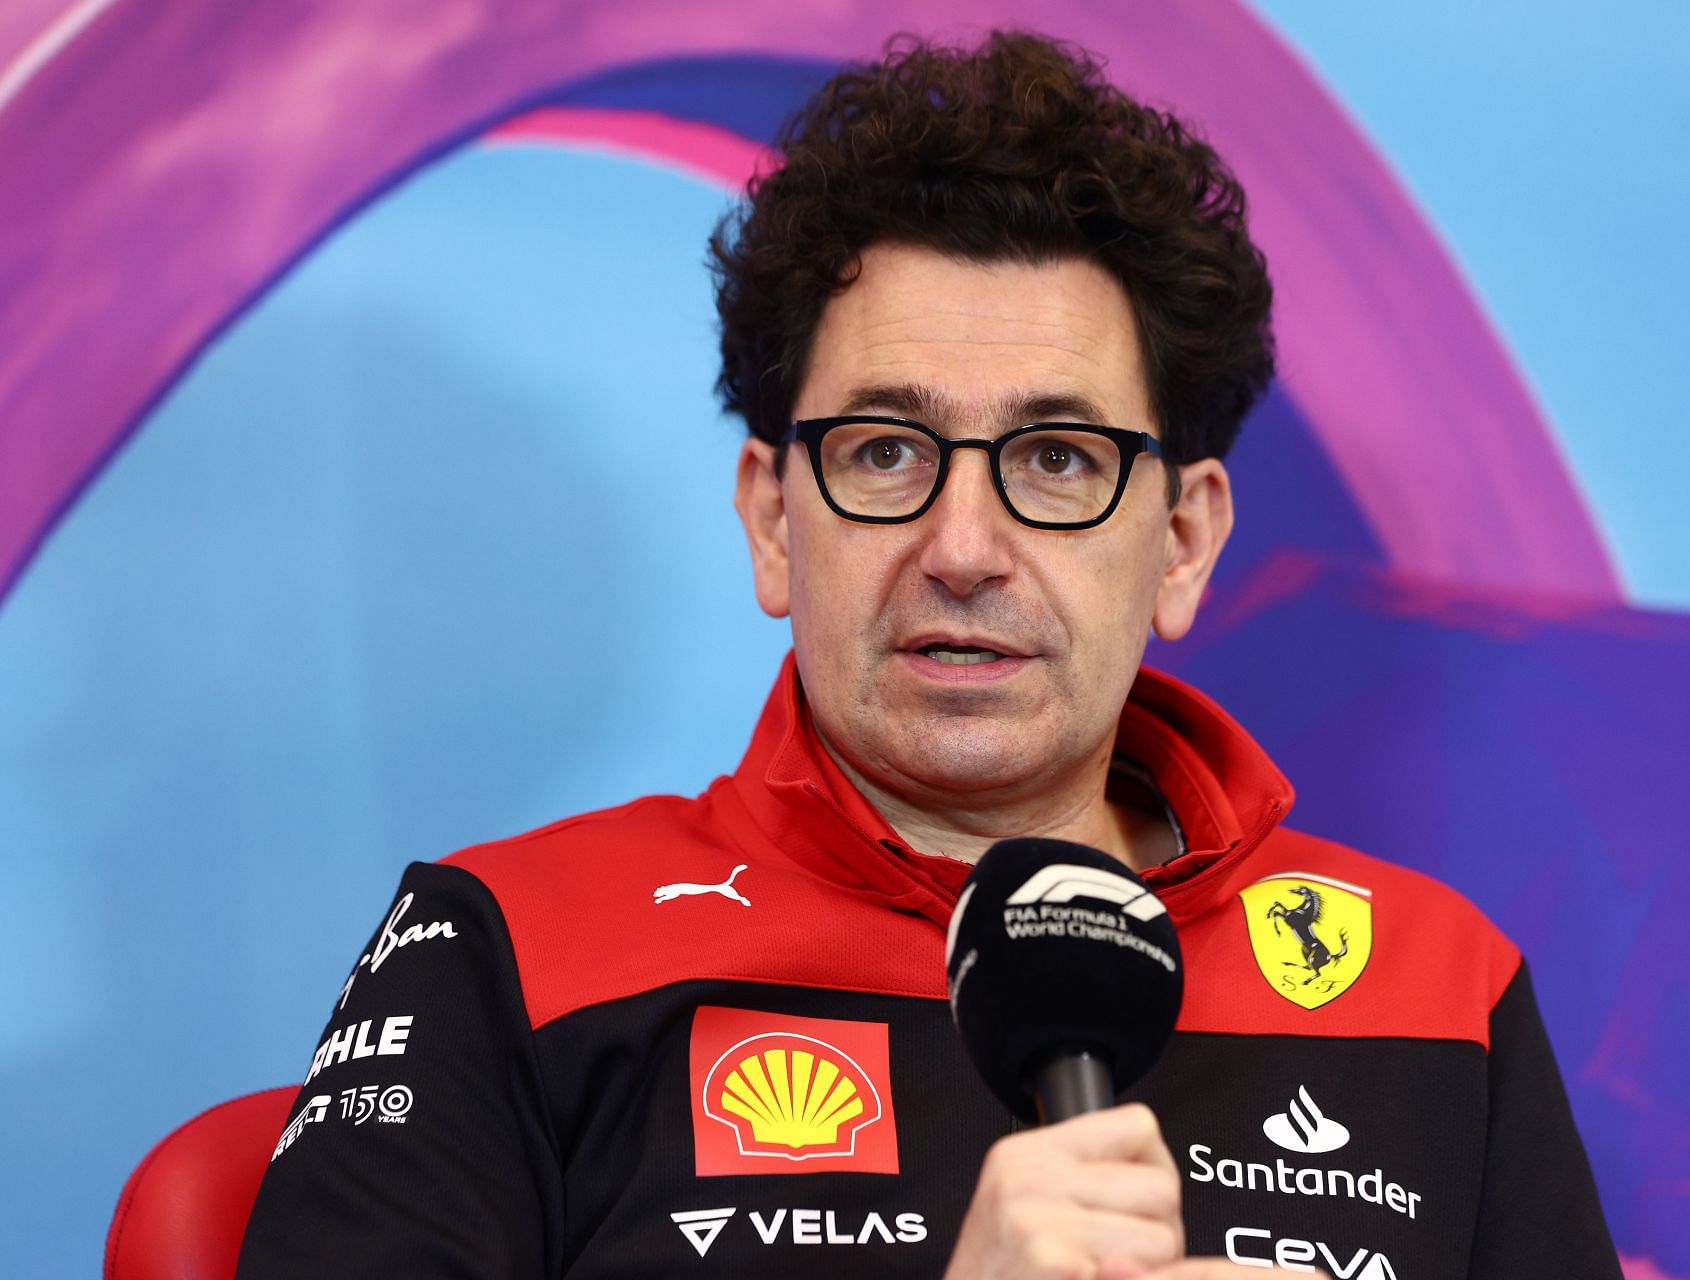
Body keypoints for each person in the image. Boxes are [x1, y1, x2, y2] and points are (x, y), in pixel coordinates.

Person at [238, 31, 1620, 1280]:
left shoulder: (1438, 992)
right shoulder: (509, 952)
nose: (963, 545)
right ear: (774, 521)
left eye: (1060, 458)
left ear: (1185, 541)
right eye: (888, 452)